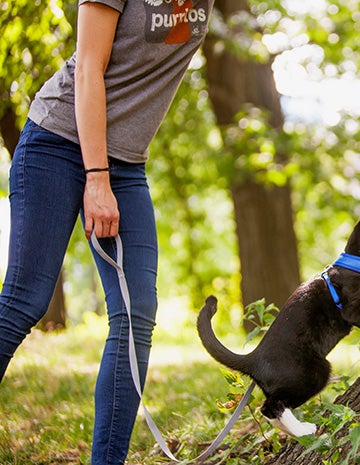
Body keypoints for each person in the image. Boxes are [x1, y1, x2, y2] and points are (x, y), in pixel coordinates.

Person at [0, 0, 214, 463]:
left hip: (125, 162)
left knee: (137, 314)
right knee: (24, 300)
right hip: (58, 142)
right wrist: (96, 176)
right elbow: (88, 67)